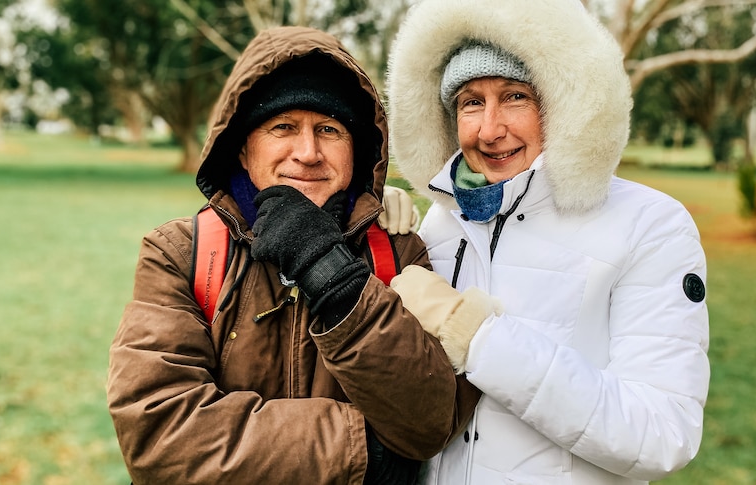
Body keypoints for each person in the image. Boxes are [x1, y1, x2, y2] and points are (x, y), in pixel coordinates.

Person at [106, 26, 480, 484]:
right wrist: (366, 452)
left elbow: (429, 421)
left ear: (355, 152)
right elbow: (158, 437)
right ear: (243, 148)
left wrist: (331, 274)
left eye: (329, 130)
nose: (307, 152)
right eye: (282, 127)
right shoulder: (181, 253)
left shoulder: (398, 252)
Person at [385, 0, 711, 483]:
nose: (491, 130)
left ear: (562, 103)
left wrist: (477, 337)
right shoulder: (442, 221)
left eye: (515, 96)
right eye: (471, 102)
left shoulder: (651, 225)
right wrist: (365, 217)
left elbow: (663, 433)